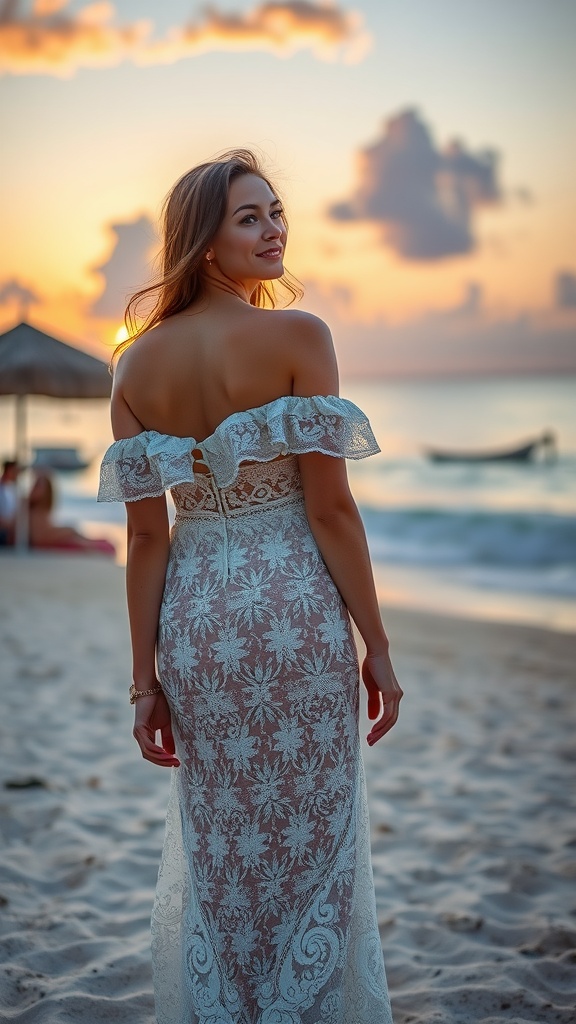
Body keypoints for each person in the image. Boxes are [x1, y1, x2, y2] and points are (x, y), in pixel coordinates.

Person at [98, 149, 402, 1024]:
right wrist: (377, 648)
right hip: (294, 617)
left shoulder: (133, 370)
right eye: (249, 217)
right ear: (202, 241)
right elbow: (333, 511)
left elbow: (147, 536)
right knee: (313, 850)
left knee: (226, 851)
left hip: (198, 624)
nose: (274, 231)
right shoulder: (301, 338)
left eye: (276, 214)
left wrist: (143, 679)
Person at [28, 470, 115, 554]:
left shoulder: (41, 510)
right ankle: (94, 547)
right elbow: (39, 539)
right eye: (35, 485)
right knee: (74, 534)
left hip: (49, 538)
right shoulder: (31, 511)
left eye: (38, 486)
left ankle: (94, 545)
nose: (34, 489)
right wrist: (68, 531)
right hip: (46, 542)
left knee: (75, 534)